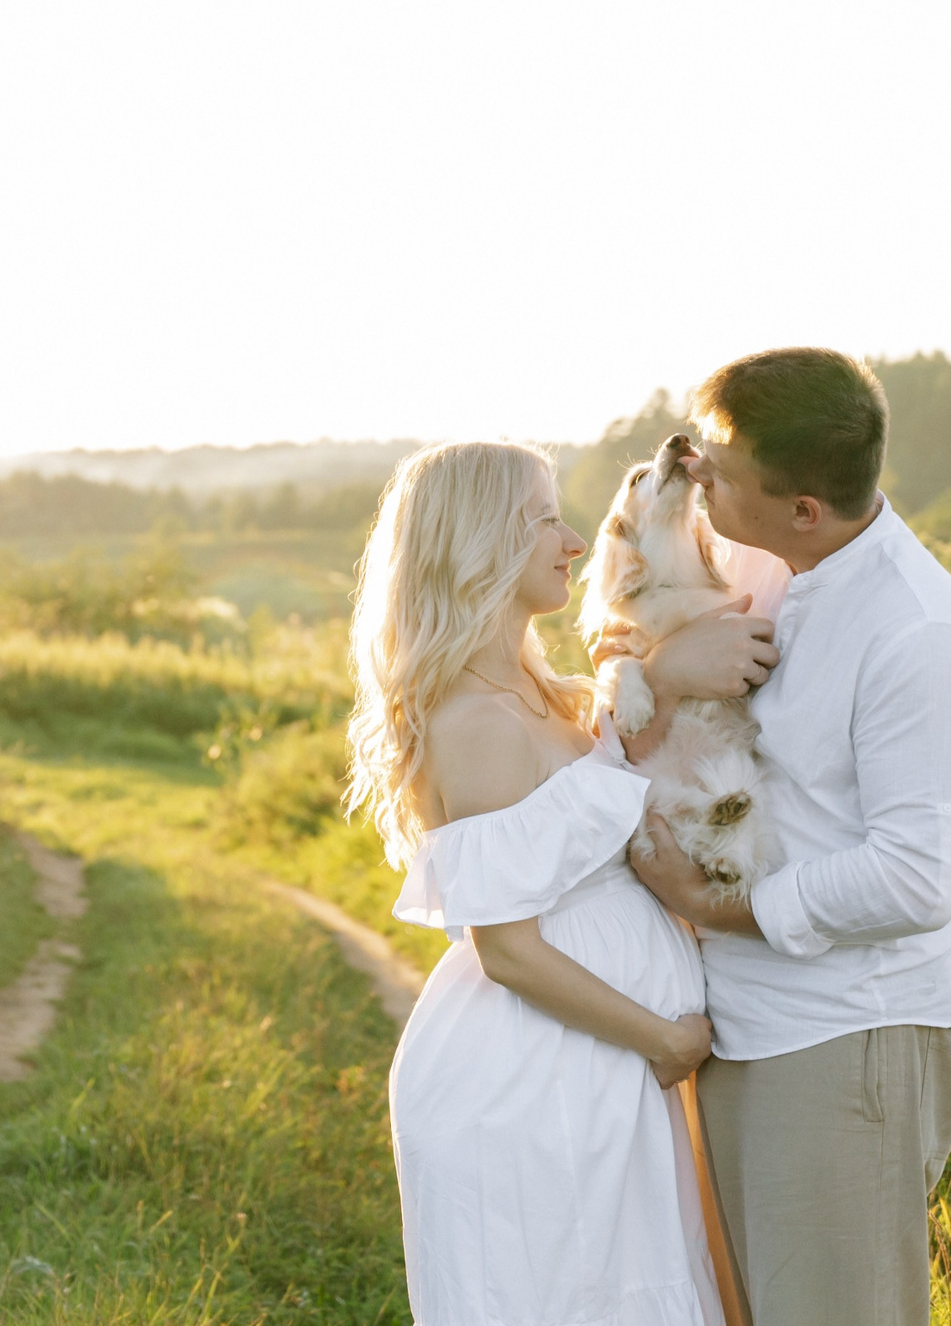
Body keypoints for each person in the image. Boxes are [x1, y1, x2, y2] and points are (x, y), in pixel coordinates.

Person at [625, 348, 951, 1326]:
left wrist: (719, 906)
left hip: (844, 1039)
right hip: (748, 1028)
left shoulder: (918, 635)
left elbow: (916, 877)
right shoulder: (777, 565)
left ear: (802, 506)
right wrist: (661, 667)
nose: (697, 474)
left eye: (722, 469)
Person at [351, 439, 745, 1326]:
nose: (573, 541)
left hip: (592, 1071)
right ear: (482, 541)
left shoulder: (543, 688)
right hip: (537, 1082)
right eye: (545, 520)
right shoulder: (475, 721)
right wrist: (663, 1040)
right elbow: (509, 950)